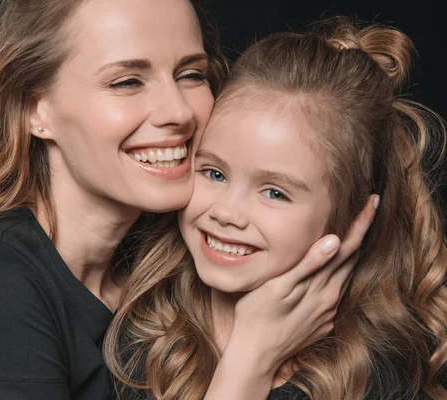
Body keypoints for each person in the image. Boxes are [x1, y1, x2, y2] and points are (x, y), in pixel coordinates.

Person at [0, 1, 376, 398]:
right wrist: (253, 357)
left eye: (191, 74)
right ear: (35, 108)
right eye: (127, 81)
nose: (177, 110)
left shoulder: (166, 264)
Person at [105, 16, 447, 400]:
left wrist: (250, 360)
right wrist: (251, 357)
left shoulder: (370, 373)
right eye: (215, 173)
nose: (227, 213)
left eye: (274, 193)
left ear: (353, 216)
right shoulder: (141, 325)